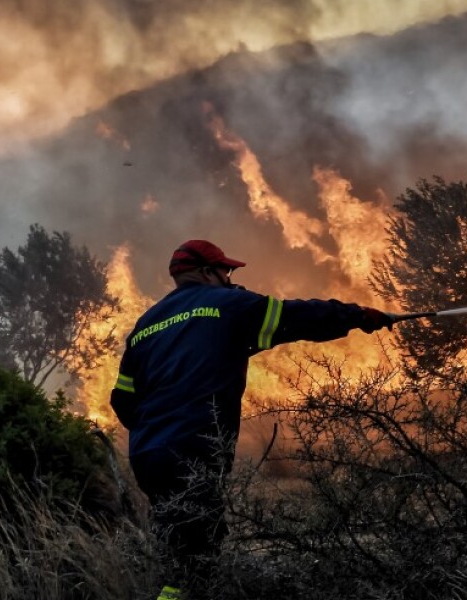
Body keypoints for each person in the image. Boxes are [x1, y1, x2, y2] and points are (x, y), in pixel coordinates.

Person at [110, 239, 393, 599]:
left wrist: (157, 428)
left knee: (180, 545)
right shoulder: (228, 305)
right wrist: (358, 316)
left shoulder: (146, 325)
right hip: (194, 447)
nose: (229, 277)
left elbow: (121, 399)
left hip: (148, 454)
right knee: (198, 556)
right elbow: (297, 316)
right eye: (225, 270)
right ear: (205, 272)